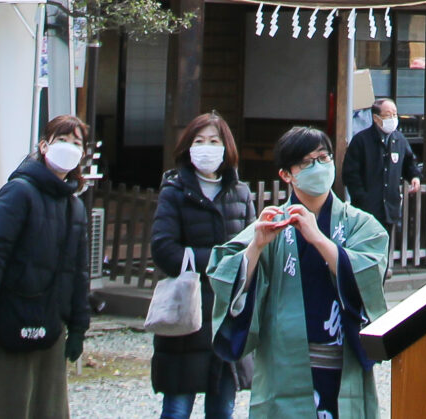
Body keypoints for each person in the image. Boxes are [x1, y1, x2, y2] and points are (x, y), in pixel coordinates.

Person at [208, 126, 390, 419]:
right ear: (286, 174)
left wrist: (318, 238)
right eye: (306, 162)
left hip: (342, 367)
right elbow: (224, 270)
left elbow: (369, 276)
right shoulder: (272, 226)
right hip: (285, 367)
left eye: (323, 157)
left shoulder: (360, 224)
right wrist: (256, 246)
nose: (318, 167)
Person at [0, 115, 93, 419]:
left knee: (46, 408)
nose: (69, 148)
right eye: (62, 140)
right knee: (3, 405)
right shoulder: (19, 192)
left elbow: (78, 274)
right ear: (44, 145)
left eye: (77, 143)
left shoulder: (73, 206)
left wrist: (78, 326)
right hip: (10, 318)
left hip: (51, 323)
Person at [152, 113, 256, 419]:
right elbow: (163, 249)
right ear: (187, 147)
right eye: (199, 141)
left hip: (228, 314)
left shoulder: (240, 192)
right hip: (186, 312)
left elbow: (252, 248)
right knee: (177, 408)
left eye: (214, 141)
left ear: (226, 147)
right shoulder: (174, 192)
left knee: (223, 407)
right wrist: (217, 261)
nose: (206, 148)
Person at [338, 101, 418, 247]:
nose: (393, 118)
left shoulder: (399, 139)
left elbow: (409, 162)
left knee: (384, 247)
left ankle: (384, 269)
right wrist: (362, 197)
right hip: (367, 208)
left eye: (394, 114)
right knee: (365, 247)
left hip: (390, 206)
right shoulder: (361, 140)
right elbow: (351, 174)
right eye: (388, 115)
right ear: (376, 118)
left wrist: (414, 176)